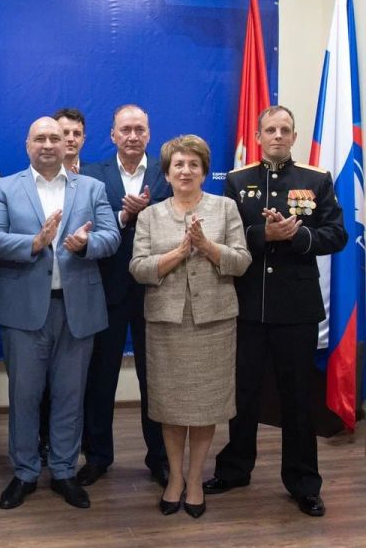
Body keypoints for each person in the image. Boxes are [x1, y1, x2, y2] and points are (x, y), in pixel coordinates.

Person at [205, 105, 347, 517]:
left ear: (294, 136)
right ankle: (235, 469)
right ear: (258, 136)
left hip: (296, 309)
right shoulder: (238, 180)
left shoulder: (316, 180)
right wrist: (262, 234)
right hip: (248, 305)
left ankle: (304, 482)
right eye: (271, 130)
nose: (278, 136)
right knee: (243, 393)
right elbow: (226, 236)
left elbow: (337, 235)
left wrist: (298, 237)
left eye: (285, 129)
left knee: (298, 398)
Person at [0, 116, 120, 511]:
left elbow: (111, 236)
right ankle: (24, 472)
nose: (47, 144)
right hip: (23, 310)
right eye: (39, 138)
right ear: (27, 145)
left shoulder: (91, 188)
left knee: (70, 396)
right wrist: (35, 241)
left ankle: (63, 471)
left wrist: (86, 244)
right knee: (24, 396)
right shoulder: (5, 187)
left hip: (77, 310)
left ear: (66, 145)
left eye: (55, 138)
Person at [129, 135, 251, 518]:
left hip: (213, 323)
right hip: (166, 324)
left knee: (204, 406)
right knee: (170, 406)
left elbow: (241, 262)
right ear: (167, 173)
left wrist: (207, 246)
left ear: (204, 171)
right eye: (178, 165)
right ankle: (175, 478)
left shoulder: (225, 208)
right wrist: (180, 252)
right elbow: (139, 268)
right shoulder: (150, 215)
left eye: (193, 165)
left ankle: (195, 479)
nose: (186, 171)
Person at [79, 104, 171, 488]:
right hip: (108, 289)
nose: (133, 136)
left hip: (156, 289)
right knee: (100, 379)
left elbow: (180, 220)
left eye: (139, 129)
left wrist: (147, 213)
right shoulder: (91, 174)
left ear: (149, 134)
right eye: (125, 130)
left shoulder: (169, 172)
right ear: (113, 135)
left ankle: (160, 459)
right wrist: (124, 216)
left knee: (156, 380)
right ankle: (98, 456)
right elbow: (86, 224)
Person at [39, 106, 88, 462]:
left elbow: (107, 233)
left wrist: (88, 243)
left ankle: (68, 458)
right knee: (32, 389)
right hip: (33, 300)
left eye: (74, 134)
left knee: (74, 388)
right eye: (61, 134)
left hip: (81, 299)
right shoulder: (19, 184)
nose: (66, 140)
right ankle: (36, 452)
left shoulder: (94, 181)